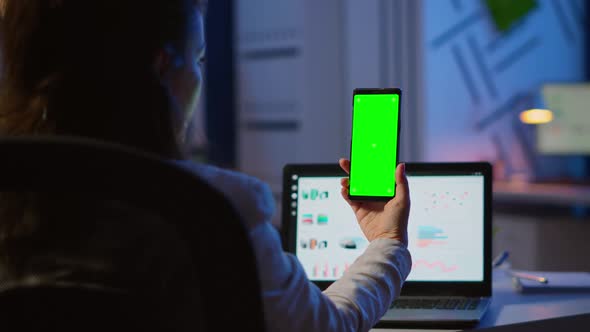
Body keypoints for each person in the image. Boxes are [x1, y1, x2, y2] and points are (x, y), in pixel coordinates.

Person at [0, 1, 412, 331]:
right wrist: (387, 244)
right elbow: (323, 327)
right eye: (197, 58)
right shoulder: (213, 207)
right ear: (163, 68)